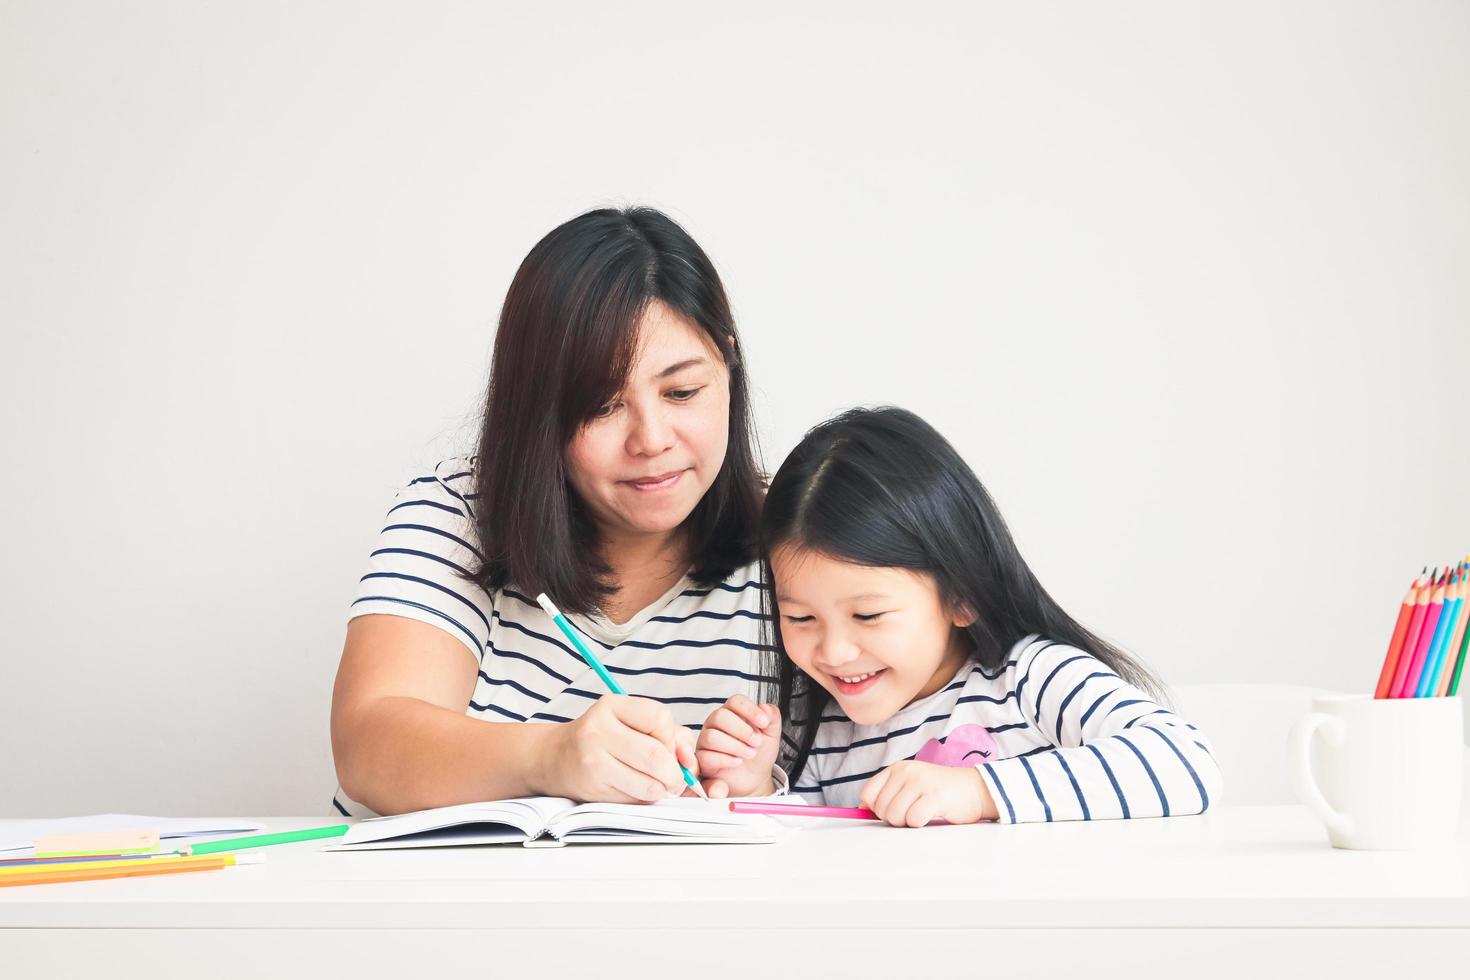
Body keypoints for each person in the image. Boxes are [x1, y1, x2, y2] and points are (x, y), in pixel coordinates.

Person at [330, 207, 768, 816]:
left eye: (682, 392)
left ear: (728, 367)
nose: (651, 439)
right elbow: (368, 747)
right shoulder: (457, 515)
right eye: (602, 406)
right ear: (541, 413)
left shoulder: (801, 538)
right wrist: (554, 757)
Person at [696, 407, 1223, 826]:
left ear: (962, 593)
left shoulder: (1030, 679)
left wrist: (978, 790)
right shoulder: (815, 727)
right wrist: (757, 787)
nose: (833, 652)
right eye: (802, 619)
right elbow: (807, 867)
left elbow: (1185, 763)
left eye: (869, 615)